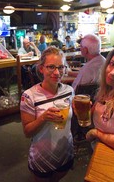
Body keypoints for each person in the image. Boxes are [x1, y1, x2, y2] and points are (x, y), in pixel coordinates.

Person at [20, 46, 74, 182]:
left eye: (61, 67)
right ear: (41, 68)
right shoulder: (29, 96)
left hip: (65, 151)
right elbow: (27, 132)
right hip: (42, 156)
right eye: (51, 67)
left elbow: (72, 117)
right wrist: (43, 118)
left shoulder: (69, 90)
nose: (57, 72)